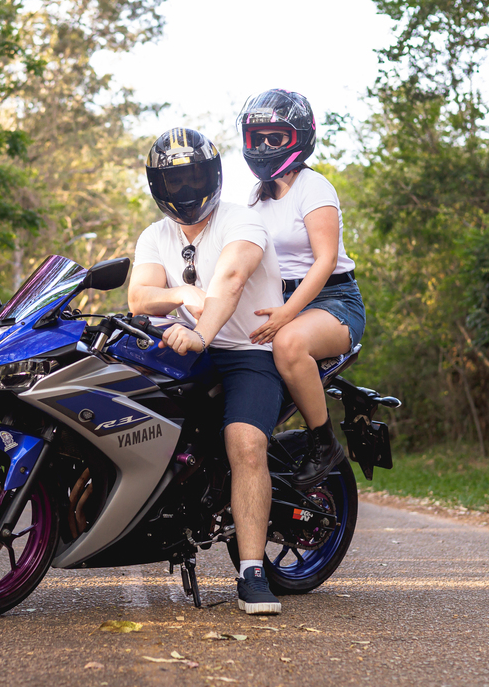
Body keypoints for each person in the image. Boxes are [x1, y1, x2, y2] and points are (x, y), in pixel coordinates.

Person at [128, 127, 286, 615]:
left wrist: (202, 331)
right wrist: (180, 297)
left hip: (247, 351)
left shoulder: (243, 221)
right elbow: (140, 298)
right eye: (173, 181)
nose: (186, 190)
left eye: (194, 176)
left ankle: (253, 571)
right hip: (179, 350)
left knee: (245, 442)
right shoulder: (156, 235)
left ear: (215, 175)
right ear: (158, 187)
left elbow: (232, 279)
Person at [237, 89, 366, 490]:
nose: (263, 146)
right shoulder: (255, 201)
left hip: (333, 301)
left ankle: (324, 443)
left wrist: (287, 314)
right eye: (257, 138)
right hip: (279, 304)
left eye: (274, 137)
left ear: (298, 138)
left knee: (288, 344)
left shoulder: (314, 187)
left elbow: (325, 260)